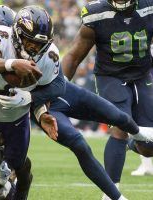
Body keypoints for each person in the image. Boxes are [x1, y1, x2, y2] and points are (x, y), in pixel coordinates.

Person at [61, 0, 153, 199]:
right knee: (120, 126)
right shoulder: (97, 14)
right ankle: (111, 193)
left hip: (143, 74)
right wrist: (56, 88)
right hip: (110, 77)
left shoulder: (148, 7)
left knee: (147, 149)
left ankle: (133, 142)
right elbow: (74, 56)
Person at [0, 5, 60, 199]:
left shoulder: (50, 56)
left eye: (39, 43)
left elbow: (48, 89)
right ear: (17, 33)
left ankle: (13, 190)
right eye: (30, 41)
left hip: (17, 117)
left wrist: (39, 111)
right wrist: (12, 63)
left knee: (18, 162)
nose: (34, 48)